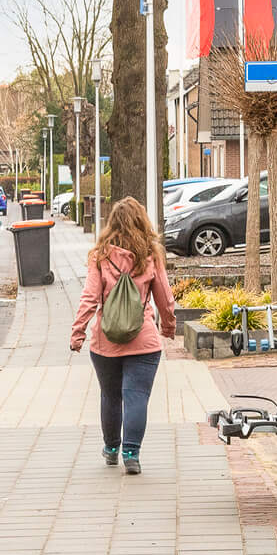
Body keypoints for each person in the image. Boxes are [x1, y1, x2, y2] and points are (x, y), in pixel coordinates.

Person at [69, 197, 177, 475]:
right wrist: (168, 327)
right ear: (142, 222)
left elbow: (90, 297)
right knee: (136, 396)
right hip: (144, 341)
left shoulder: (100, 256)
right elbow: (164, 297)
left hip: (105, 341)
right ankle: (132, 453)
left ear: (111, 223)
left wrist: (78, 331)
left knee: (110, 395)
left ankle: (111, 449)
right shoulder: (151, 255)